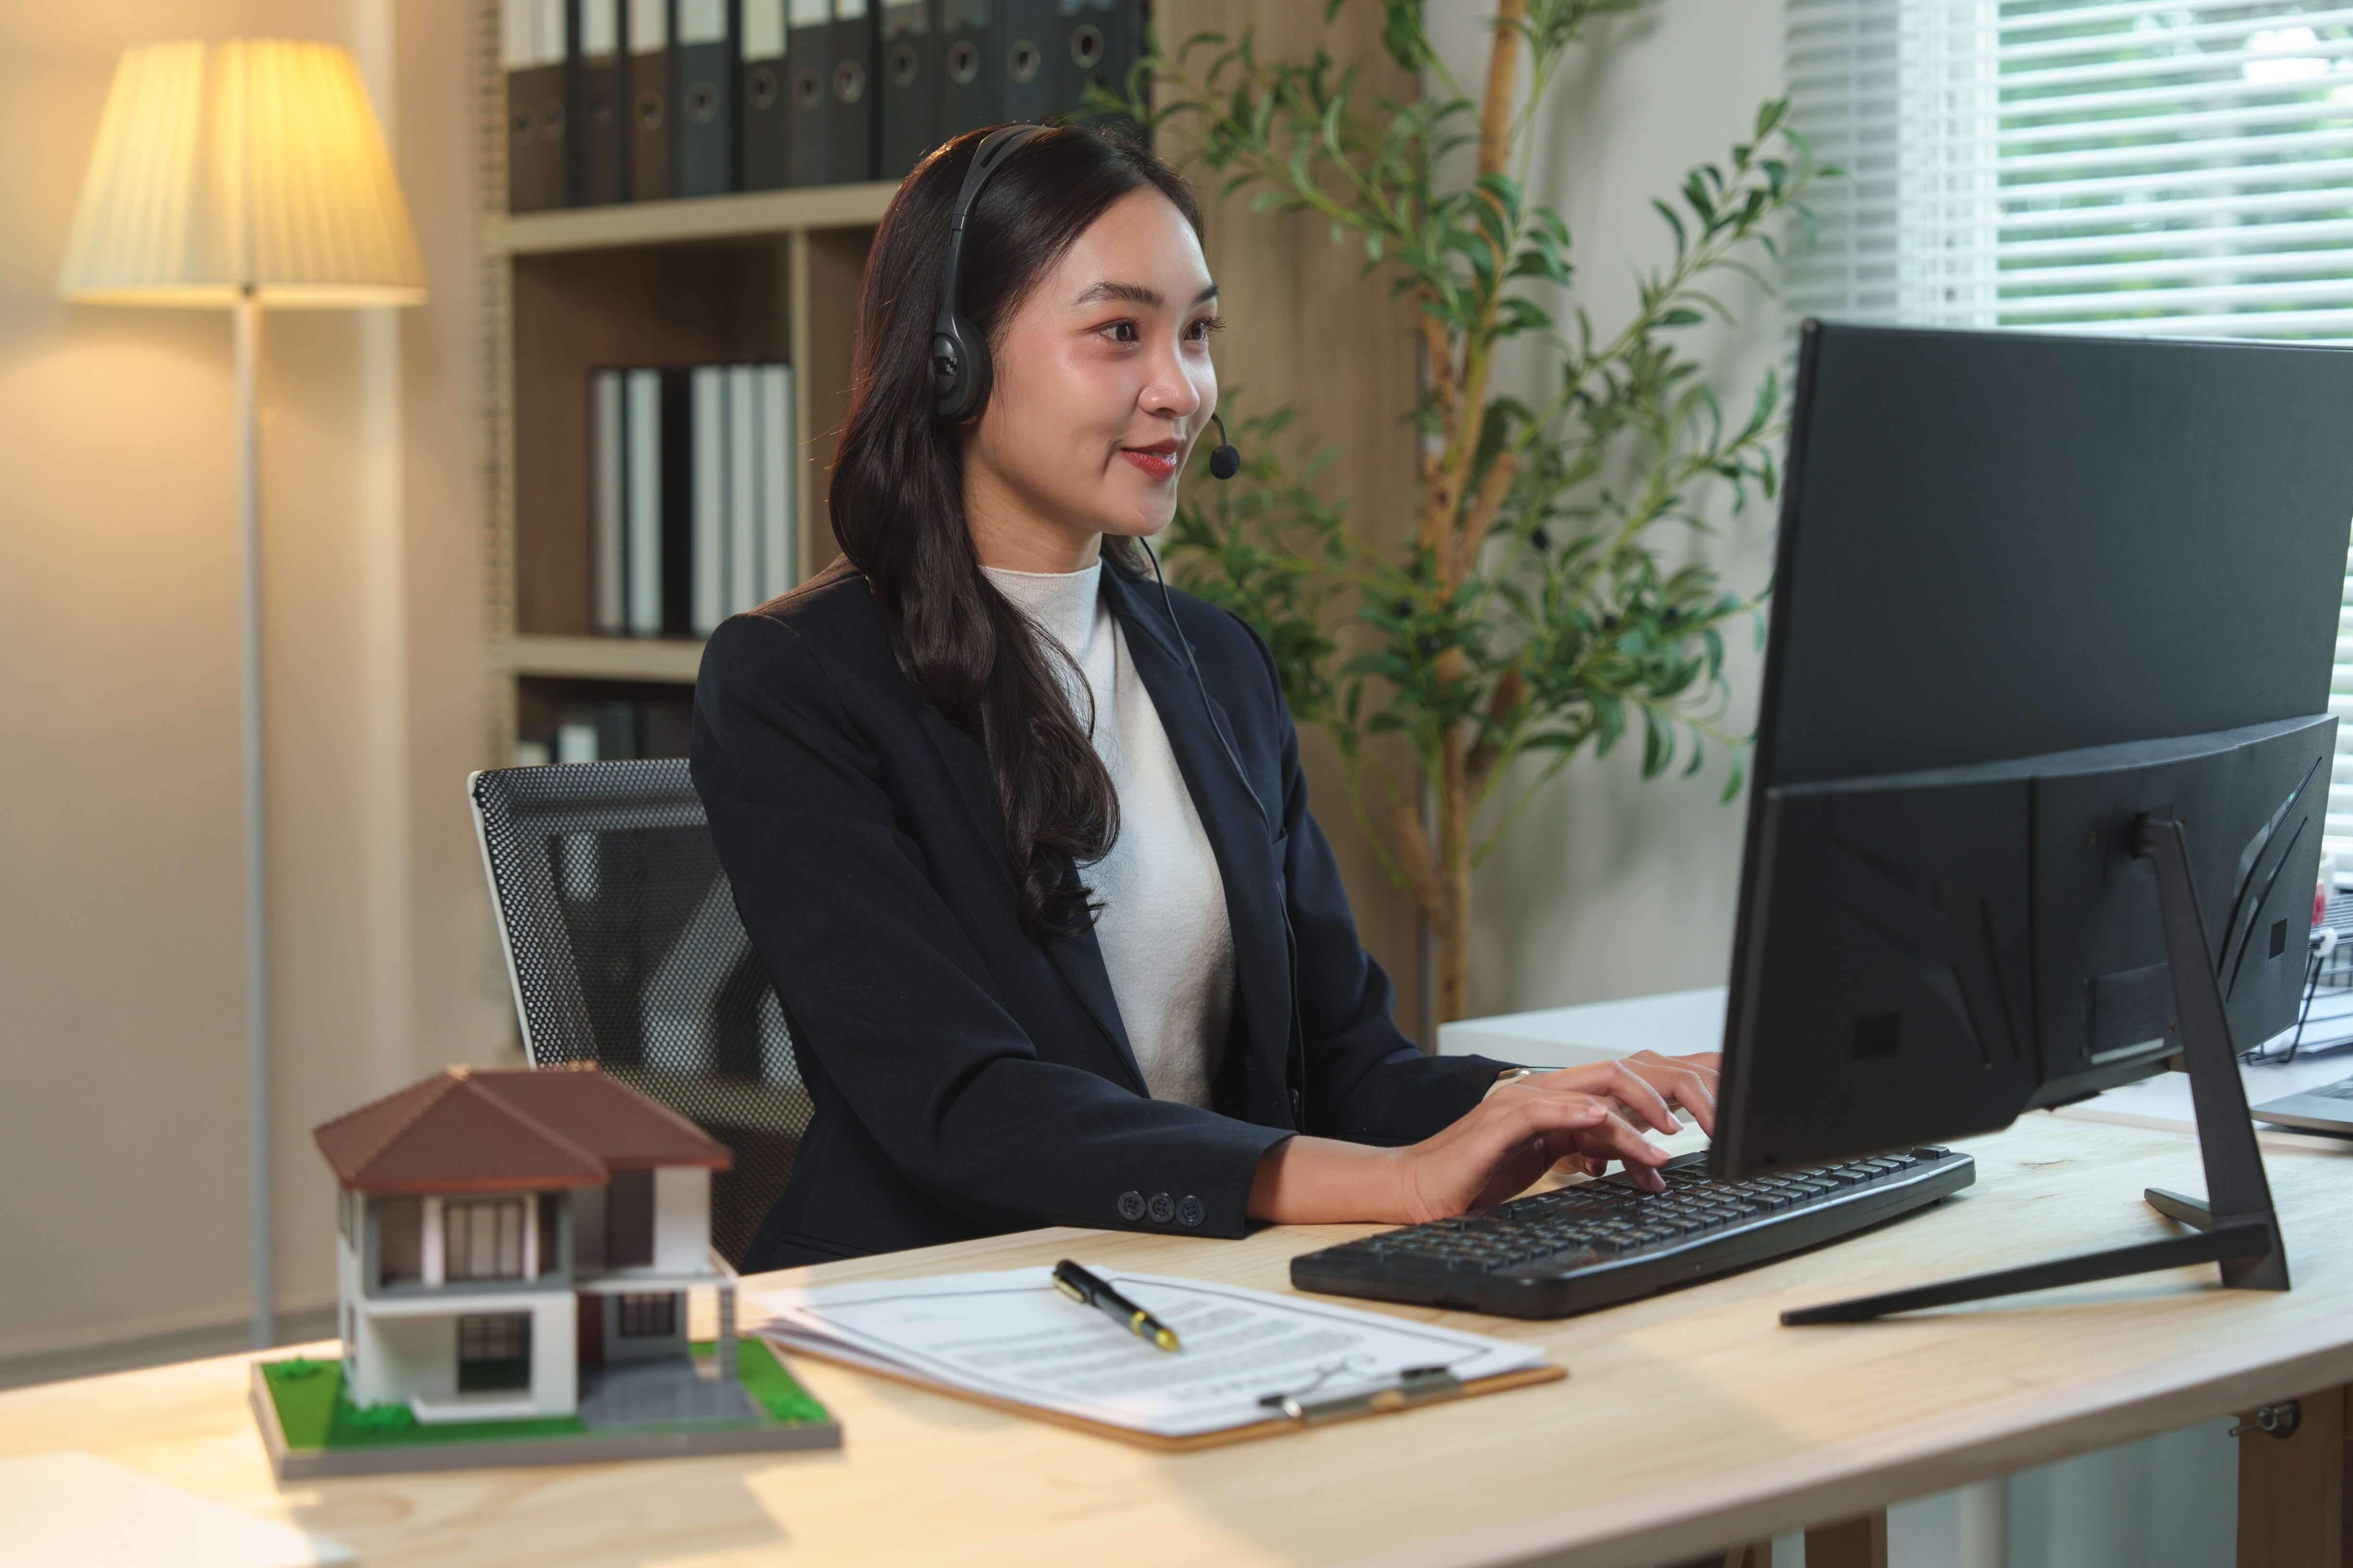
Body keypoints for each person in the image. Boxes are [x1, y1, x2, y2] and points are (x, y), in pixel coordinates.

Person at [690, 123, 1722, 1273]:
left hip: (1191, 1281)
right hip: (932, 1306)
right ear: (953, 361)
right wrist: (1395, 1183)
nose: (1180, 389)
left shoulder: (1216, 666)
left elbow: (1346, 1067)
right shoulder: (795, 680)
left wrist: (1556, 1103)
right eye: (1120, 333)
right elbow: (963, 1105)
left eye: (1196, 334)